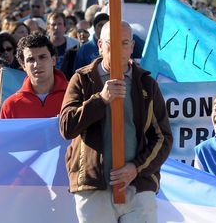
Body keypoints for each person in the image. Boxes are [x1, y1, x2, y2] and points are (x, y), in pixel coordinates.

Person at [59, 21, 172, 223]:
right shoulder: (83, 79)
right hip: (94, 187)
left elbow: (162, 137)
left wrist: (136, 168)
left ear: (132, 47)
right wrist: (100, 100)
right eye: (112, 43)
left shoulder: (146, 84)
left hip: (137, 186)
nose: (119, 49)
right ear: (100, 46)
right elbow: (67, 127)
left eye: (125, 43)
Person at [0, 34, 68, 119]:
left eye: (42, 57)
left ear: (53, 60)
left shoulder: (75, 97)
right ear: (23, 65)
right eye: (31, 59)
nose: (37, 64)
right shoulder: (10, 106)